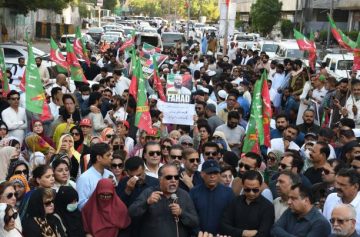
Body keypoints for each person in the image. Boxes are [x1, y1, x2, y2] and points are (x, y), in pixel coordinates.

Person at [128, 164, 199, 237]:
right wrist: (147, 202)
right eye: (169, 177)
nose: (173, 180)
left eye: (176, 177)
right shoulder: (149, 193)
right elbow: (132, 213)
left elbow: (195, 222)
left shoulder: (184, 195)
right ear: (160, 178)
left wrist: (181, 213)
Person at [220, 170, 274, 236]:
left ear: (260, 186)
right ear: (242, 186)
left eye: (255, 190)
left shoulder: (267, 207)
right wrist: (243, 233)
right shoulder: (235, 201)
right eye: (247, 190)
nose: (251, 193)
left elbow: (264, 233)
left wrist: (235, 232)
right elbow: (224, 226)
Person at [190, 160, 235, 235]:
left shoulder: (229, 193)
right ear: (202, 174)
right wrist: (198, 233)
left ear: (219, 174)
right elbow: (191, 216)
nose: (212, 176)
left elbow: (231, 217)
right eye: (209, 173)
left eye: (215, 173)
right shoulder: (194, 192)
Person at [77, 143, 116, 210]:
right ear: (99, 158)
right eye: (108, 155)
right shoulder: (84, 178)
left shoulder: (110, 175)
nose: (111, 158)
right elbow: (80, 205)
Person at [323, 169, 360, 233]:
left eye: (342, 185)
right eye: (336, 183)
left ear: (355, 186)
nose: (337, 186)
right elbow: (325, 225)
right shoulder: (331, 198)